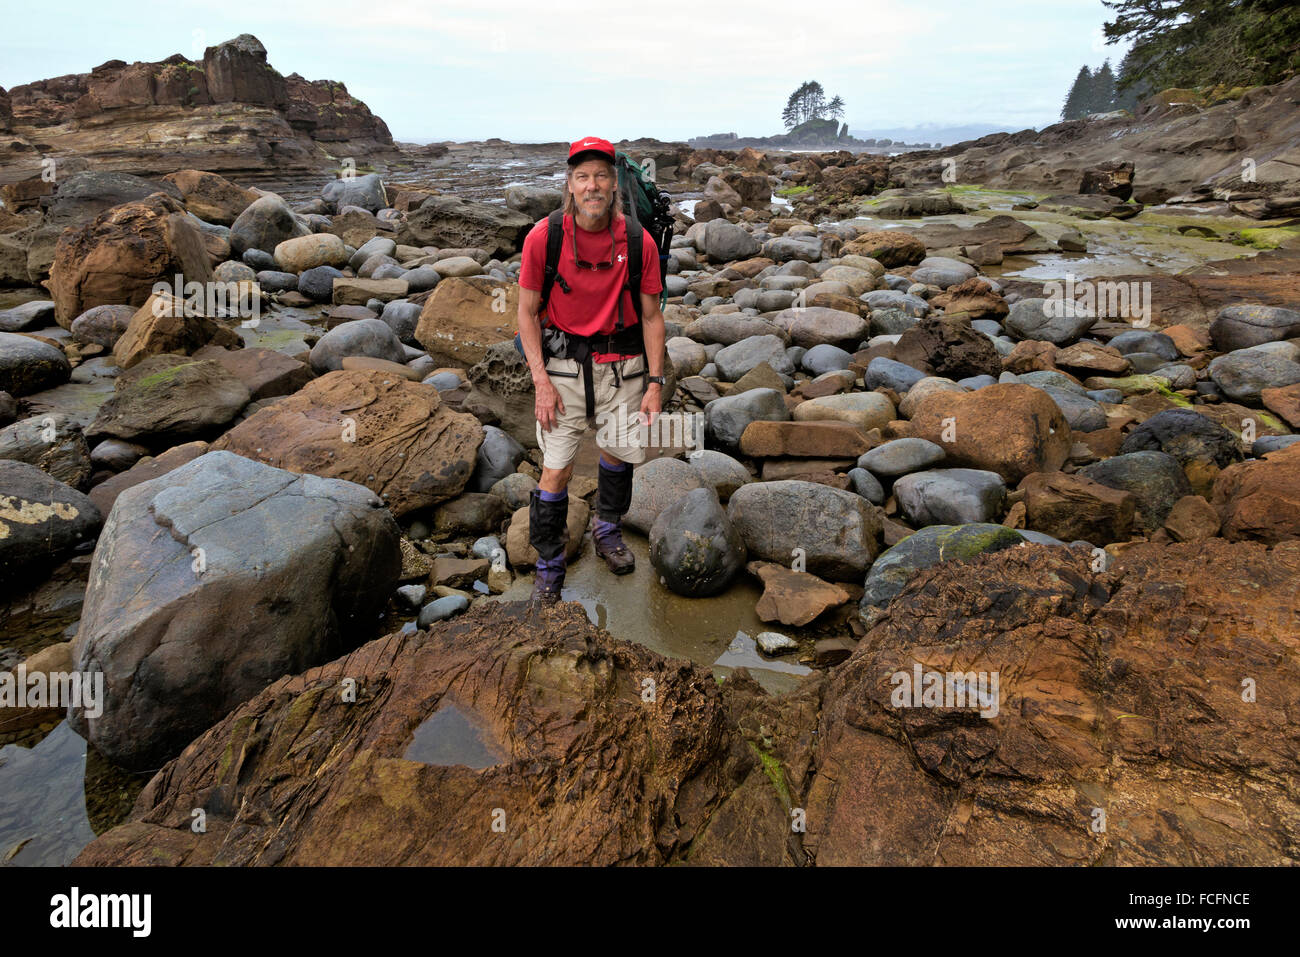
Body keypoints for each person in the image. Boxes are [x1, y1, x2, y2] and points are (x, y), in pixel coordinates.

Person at [516, 135, 667, 608]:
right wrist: (540, 381)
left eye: (601, 175)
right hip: (562, 368)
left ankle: (607, 530)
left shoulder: (638, 241)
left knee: (618, 455)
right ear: (570, 184)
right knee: (555, 471)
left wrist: (655, 384)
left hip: (624, 367)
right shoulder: (545, 236)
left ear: (614, 184)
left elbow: (652, 316)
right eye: (582, 176)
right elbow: (525, 313)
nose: (592, 185)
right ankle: (549, 566)